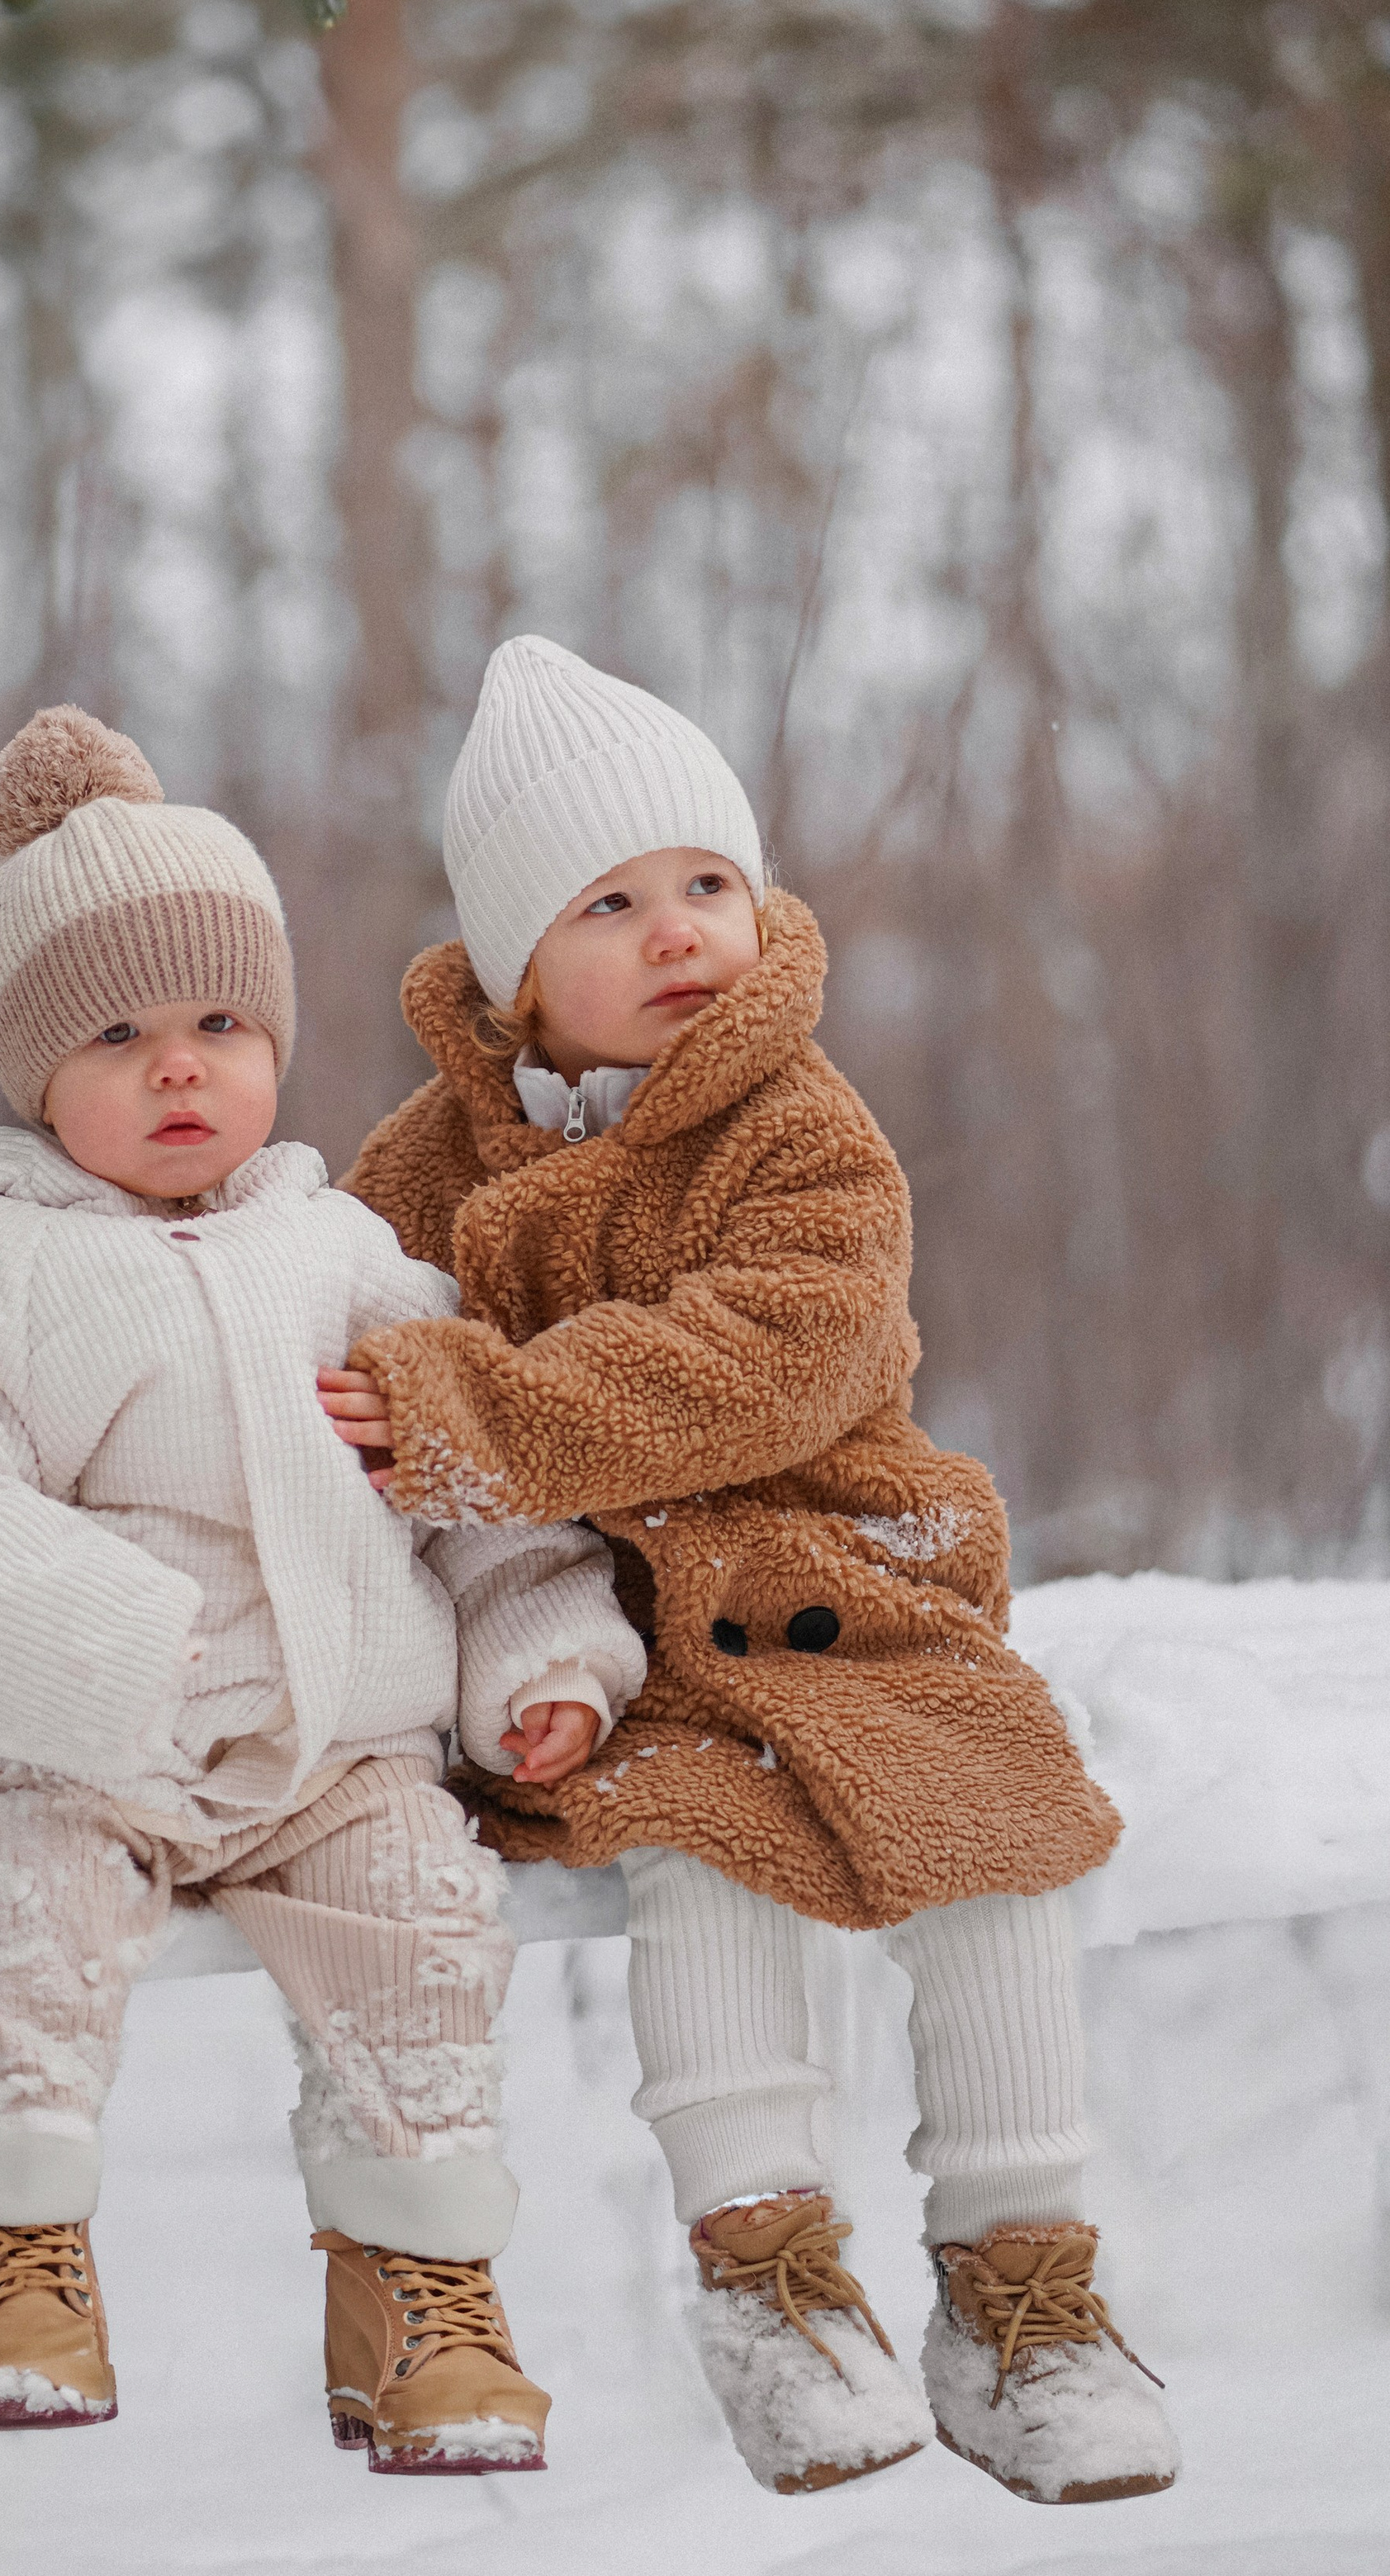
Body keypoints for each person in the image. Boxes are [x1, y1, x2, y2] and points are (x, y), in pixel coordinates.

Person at [319, 634, 1180, 2508]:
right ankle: (768, 2286)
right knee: (698, 1863)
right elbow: (342, 1336)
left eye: (704, 881)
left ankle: (1025, 2293)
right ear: (511, 967)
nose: (676, 929)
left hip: (854, 1584)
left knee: (991, 1851)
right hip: (617, 1640)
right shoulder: (423, 1166)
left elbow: (768, 1354)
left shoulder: (797, 1121)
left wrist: (470, 1408)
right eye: (610, 903)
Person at [0, 703, 644, 2469]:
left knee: (422, 1931)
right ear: (36, 1068)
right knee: (13, 1903)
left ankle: (417, 2291)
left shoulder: (351, 1263)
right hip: (67, 1741)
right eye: (117, 1033)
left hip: (328, 1746)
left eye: (217, 1022)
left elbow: (480, 1490)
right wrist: (122, 1651)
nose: (178, 1066)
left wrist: (540, 1665)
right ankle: (16, 2240)